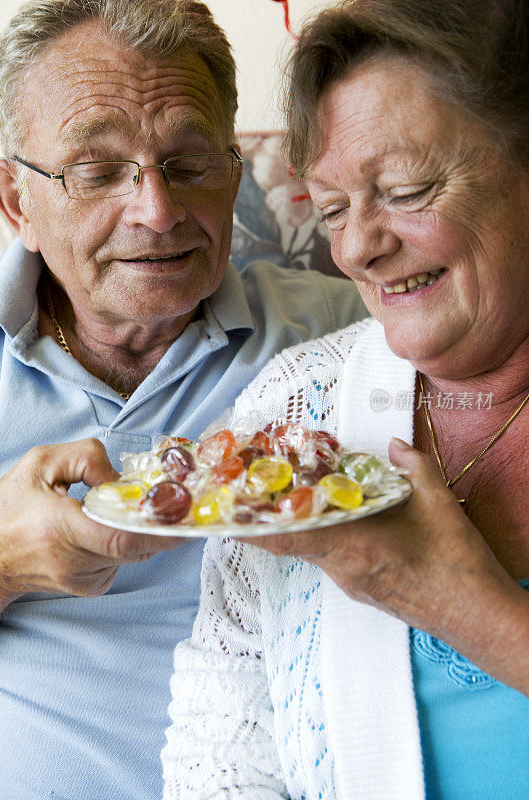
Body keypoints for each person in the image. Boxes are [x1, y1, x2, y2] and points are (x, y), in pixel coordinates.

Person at [0, 1, 366, 798]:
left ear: (235, 171)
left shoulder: (346, 333)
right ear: (17, 202)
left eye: (190, 162)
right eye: (97, 171)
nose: (157, 212)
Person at [162, 0, 529, 797]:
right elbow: (217, 759)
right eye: (331, 209)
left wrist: (478, 616)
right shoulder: (292, 411)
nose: (358, 247)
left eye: (405, 188)